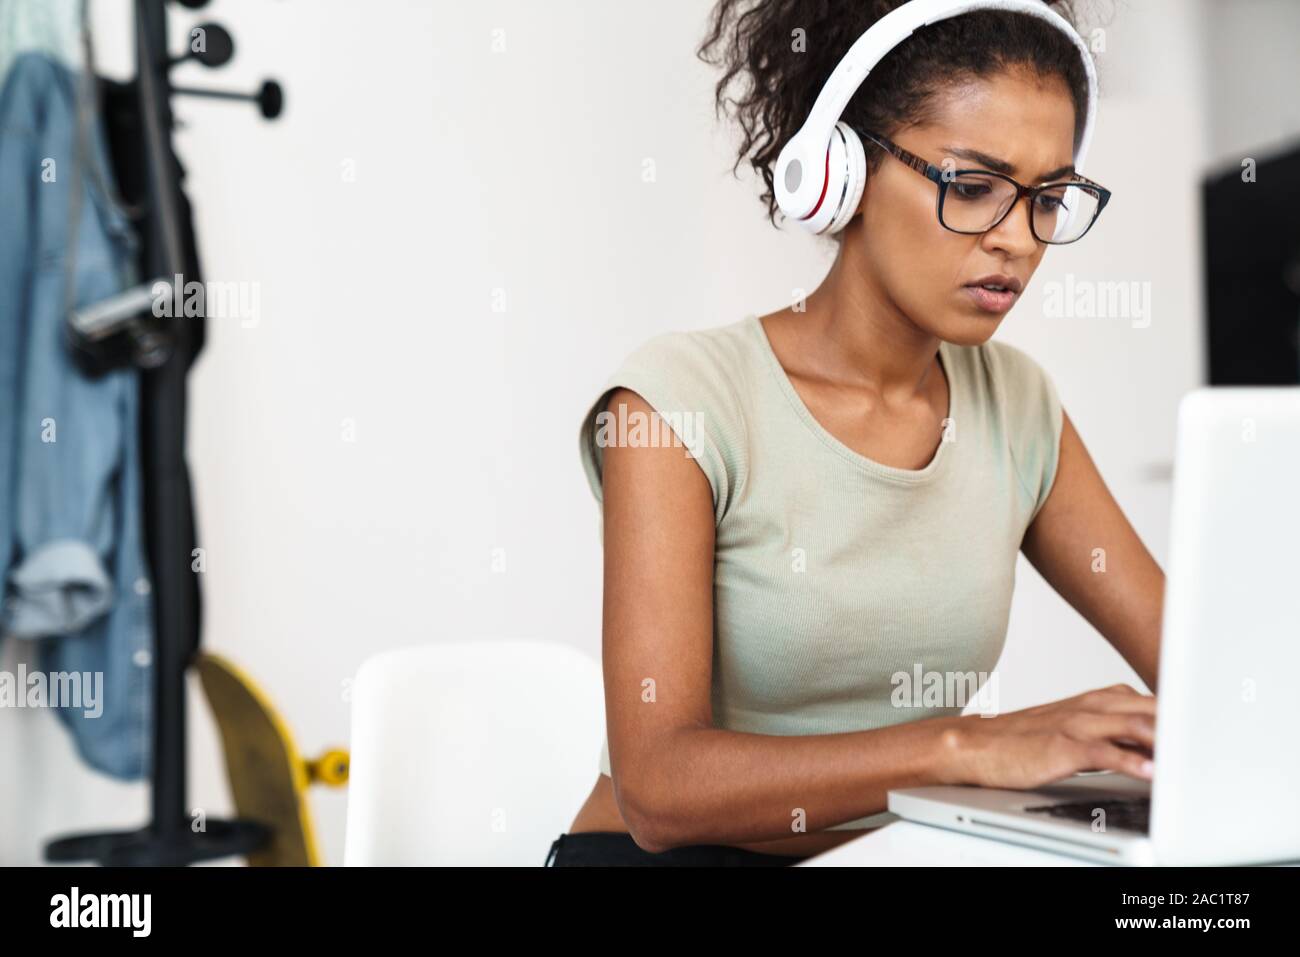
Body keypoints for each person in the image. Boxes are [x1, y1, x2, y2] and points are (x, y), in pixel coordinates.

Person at [549, 0, 1161, 867]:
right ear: (839, 171)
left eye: (1049, 199)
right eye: (973, 186)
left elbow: (1193, 658)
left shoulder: (1016, 404)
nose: (1019, 241)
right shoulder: (678, 401)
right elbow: (658, 786)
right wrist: (968, 747)